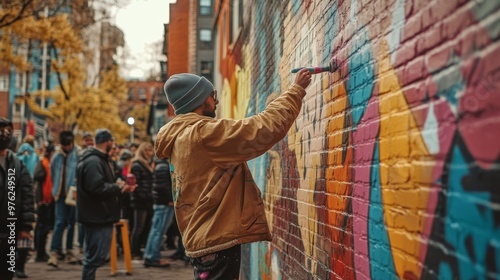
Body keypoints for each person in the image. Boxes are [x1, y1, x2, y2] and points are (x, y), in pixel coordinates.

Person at [155, 70, 312, 279]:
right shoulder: (203, 133)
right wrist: (296, 90)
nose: (216, 101)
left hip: (203, 234)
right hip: (215, 238)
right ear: (200, 99)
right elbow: (264, 128)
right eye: (212, 95)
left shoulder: (178, 136)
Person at [77, 129, 136, 280]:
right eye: (112, 141)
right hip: (97, 216)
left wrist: (119, 187)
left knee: (96, 257)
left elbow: (101, 185)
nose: (114, 145)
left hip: (100, 215)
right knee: (94, 259)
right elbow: (96, 188)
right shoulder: (93, 161)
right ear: (107, 142)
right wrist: (118, 187)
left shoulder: (100, 159)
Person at [0, 118, 35, 280]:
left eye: (7, 132)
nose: (4, 136)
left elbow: (27, 196)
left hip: (10, 232)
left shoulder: (17, 165)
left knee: (7, 273)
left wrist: (25, 227)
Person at [47, 130, 79, 267]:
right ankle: (54, 251)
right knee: (59, 222)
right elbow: (53, 173)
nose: (68, 147)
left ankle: (69, 251)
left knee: (72, 223)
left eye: (69, 144)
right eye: (65, 145)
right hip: (60, 194)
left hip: (73, 194)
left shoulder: (78, 154)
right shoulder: (56, 156)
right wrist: (55, 191)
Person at [142, 158, 174, 267]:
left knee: (157, 230)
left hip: (163, 202)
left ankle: (150, 255)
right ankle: (152, 257)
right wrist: (170, 199)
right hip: (164, 203)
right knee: (158, 231)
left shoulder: (161, 165)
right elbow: (162, 186)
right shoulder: (163, 167)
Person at [129, 142, 154, 260]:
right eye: (148, 151)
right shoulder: (137, 165)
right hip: (140, 200)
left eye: (151, 151)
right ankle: (134, 251)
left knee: (144, 226)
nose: (150, 153)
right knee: (138, 227)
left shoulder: (146, 164)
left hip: (147, 199)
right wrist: (144, 195)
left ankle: (139, 249)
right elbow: (135, 184)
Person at [33, 143, 56, 262]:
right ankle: (40, 252)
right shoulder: (43, 163)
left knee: (44, 226)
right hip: (43, 199)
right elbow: (37, 176)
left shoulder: (49, 163)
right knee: (42, 226)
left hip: (48, 199)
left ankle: (40, 250)